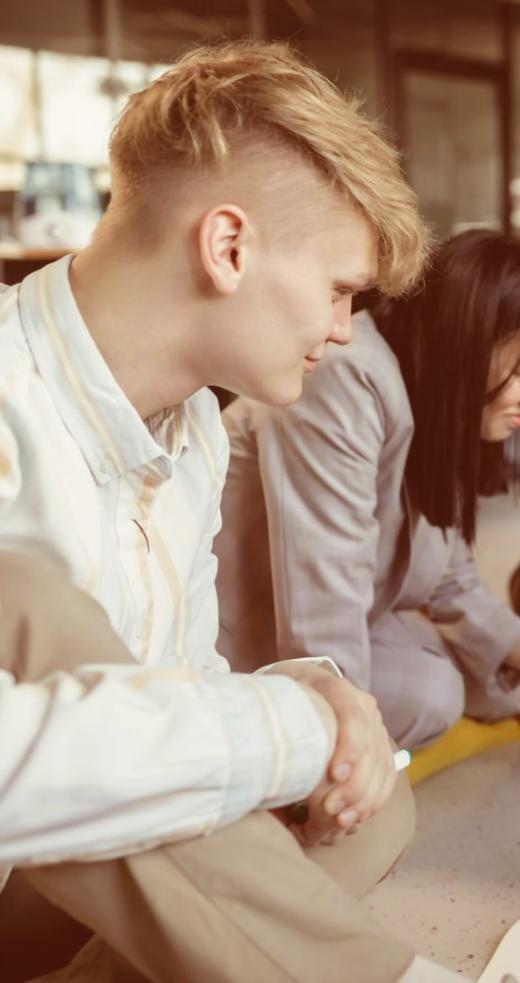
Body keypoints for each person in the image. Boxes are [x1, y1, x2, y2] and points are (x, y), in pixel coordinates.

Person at [0, 41, 464, 981]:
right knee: (37, 611)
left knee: (373, 787)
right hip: (29, 834)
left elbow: (183, 678)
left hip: (98, 864)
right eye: (338, 289)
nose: (343, 329)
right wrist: (291, 724)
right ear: (229, 246)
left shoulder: (198, 432)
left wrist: (318, 697)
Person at [216, 231, 520, 749]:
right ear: (469, 341)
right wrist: (352, 742)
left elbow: (449, 579)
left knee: (487, 679)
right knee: (431, 691)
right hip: (240, 636)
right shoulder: (349, 377)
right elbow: (322, 599)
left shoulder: (440, 402)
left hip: (325, 616)